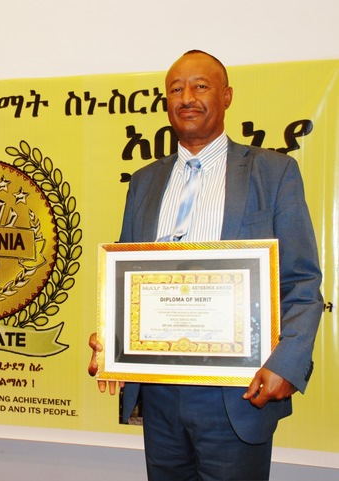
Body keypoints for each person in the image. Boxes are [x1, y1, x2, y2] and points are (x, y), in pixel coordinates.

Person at [88, 50, 323, 481]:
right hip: (158, 395)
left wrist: (286, 363)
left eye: (200, 86)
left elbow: (302, 282)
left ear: (226, 96)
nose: (187, 98)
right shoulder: (143, 182)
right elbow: (126, 280)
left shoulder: (273, 173)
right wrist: (111, 337)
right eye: (175, 89)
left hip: (238, 394)